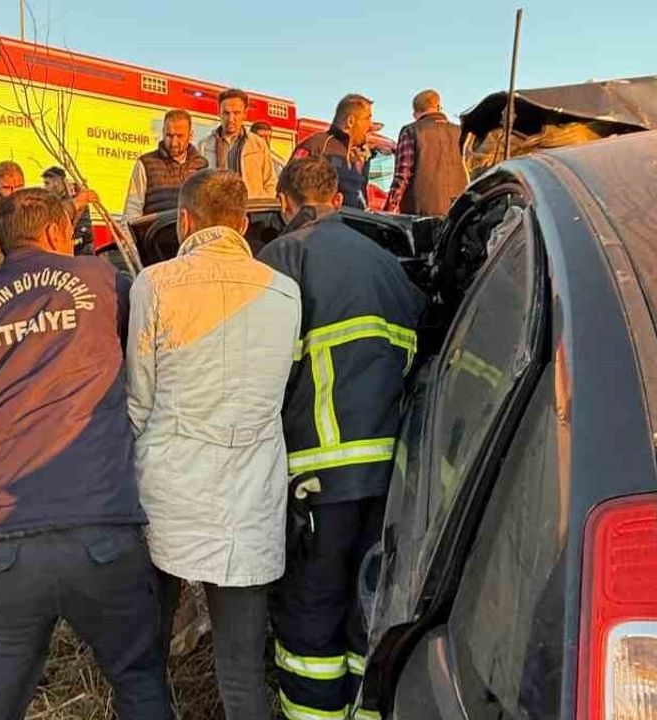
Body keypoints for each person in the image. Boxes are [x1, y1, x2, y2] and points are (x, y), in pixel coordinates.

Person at [0, 188, 171, 720]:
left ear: (1, 240)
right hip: (101, 529)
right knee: (139, 682)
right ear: (61, 232)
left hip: (0, 542)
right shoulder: (106, 283)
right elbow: (159, 359)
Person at [126, 170, 300, 720]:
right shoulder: (285, 290)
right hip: (250, 493)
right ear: (243, 223)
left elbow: (138, 397)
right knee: (242, 667)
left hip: (169, 485)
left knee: (146, 649)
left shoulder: (154, 284)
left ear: (184, 221)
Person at [257, 156, 426, 720]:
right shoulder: (386, 262)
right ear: (337, 197)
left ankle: (312, 714)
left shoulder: (283, 256)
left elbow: (260, 368)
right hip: (394, 470)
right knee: (369, 598)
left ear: (286, 202)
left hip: (319, 471)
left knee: (313, 601)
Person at [383, 89, 469, 215]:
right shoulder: (460, 132)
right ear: (439, 107)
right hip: (457, 213)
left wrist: (389, 208)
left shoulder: (411, 131)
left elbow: (403, 174)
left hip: (420, 213)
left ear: (415, 113)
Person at [122, 109, 209, 223]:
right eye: (169, 135)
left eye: (179, 136)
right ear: (163, 132)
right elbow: (132, 209)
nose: (173, 142)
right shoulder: (146, 163)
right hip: (156, 235)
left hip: (189, 238)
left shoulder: (202, 166)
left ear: (190, 135)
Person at [292, 94, 375, 209]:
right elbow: (288, 188)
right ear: (350, 121)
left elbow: (360, 199)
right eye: (367, 118)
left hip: (354, 225)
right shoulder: (315, 146)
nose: (371, 125)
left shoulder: (358, 156)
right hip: (321, 225)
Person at [196, 88, 277, 199]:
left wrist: (263, 206)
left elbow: (270, 181)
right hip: (219, 211)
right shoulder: (204, 145)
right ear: (219, 113)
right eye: (226, 113)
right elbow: (200, 184)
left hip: (252, 210)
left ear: (244, 114)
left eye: (236, 113)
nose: (231, 118)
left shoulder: (258, 144)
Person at [41, 166, 93, 254]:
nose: (44, 188)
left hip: (81, 255)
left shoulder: (77, 201)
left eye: (47, 183)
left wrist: (66, 245)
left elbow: (85, 234)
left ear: (57, 183)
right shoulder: (52, 202)